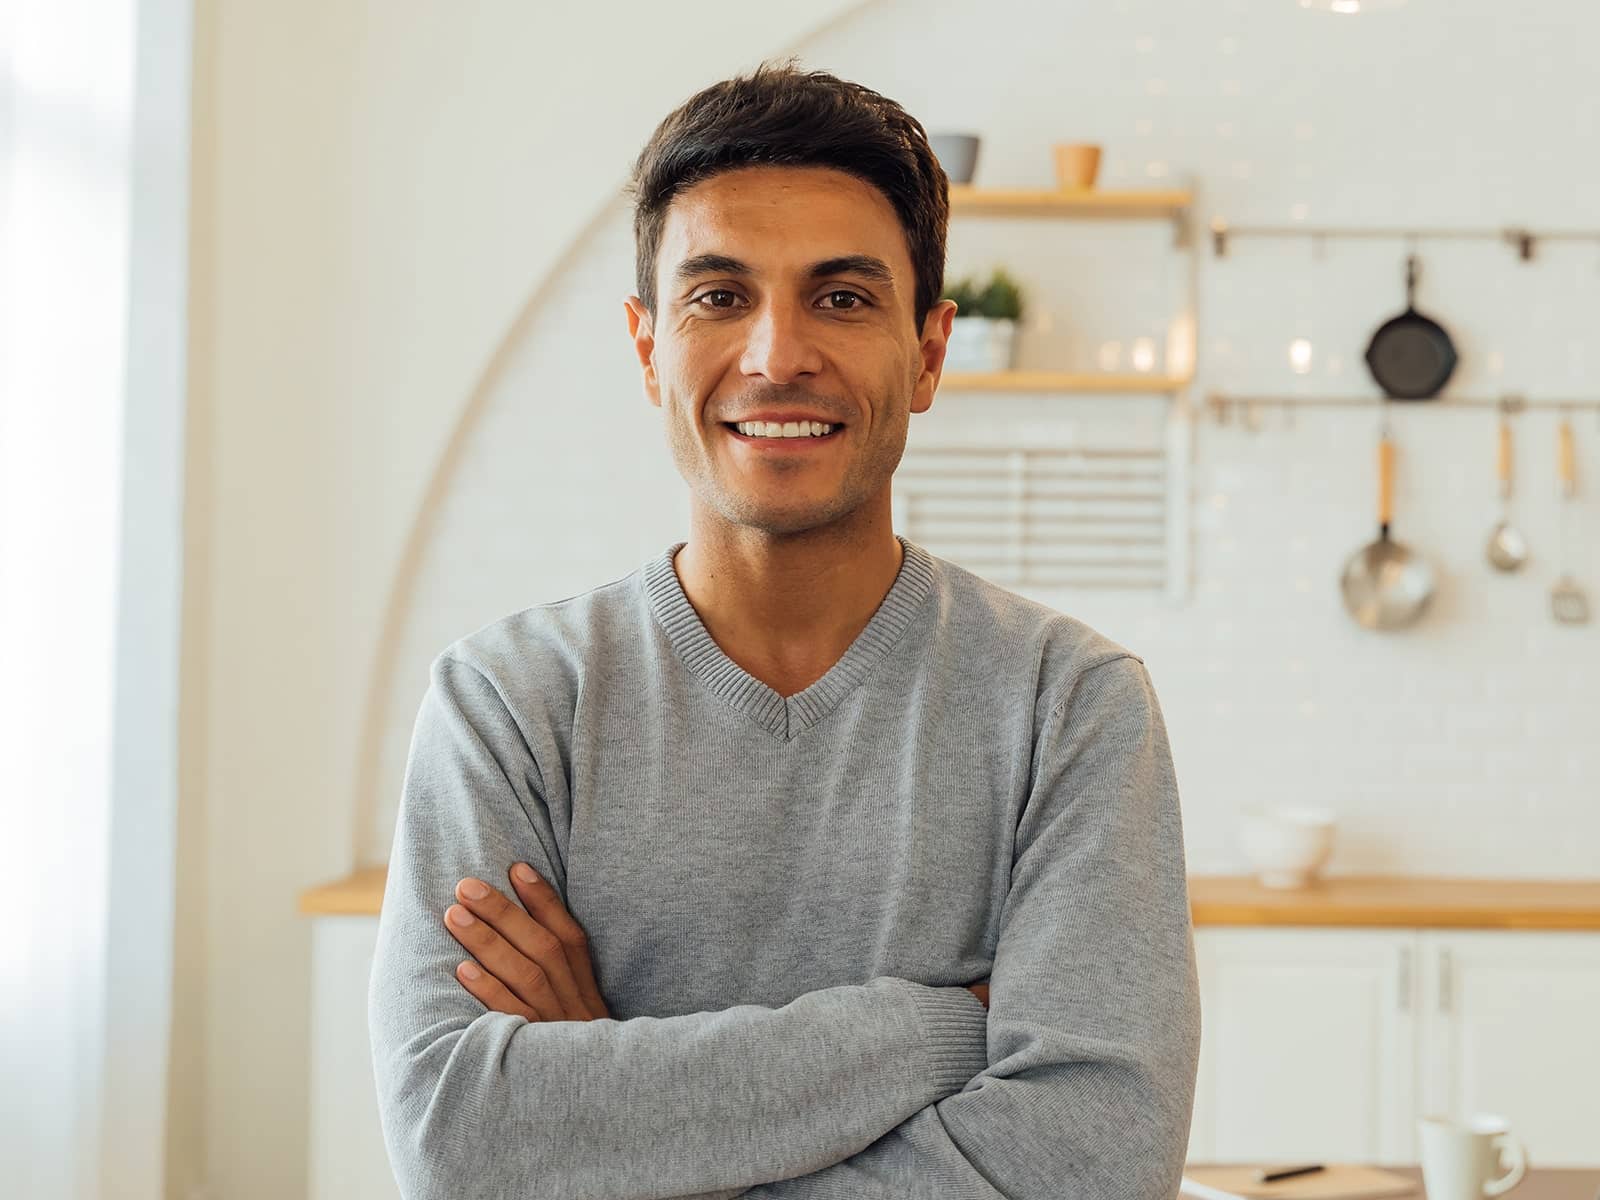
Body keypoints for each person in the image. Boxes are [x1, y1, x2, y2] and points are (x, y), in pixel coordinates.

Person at [367, 56, 1200, 1200]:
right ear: (647, 344)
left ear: (928, 353)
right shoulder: (507, 702)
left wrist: (607, 1104)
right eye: (718, 296)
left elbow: (1090, 1161)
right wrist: (938, 1030)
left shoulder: (1070, 706)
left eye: (843, 297)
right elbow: (457, 1144)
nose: (775, 355)